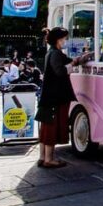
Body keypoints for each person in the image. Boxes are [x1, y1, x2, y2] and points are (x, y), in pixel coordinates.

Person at [36, 27, 92, 168]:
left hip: (48, 97)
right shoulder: (55, 54)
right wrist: (73, 64)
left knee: (46, 128)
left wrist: (80, 59)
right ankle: (49, 159)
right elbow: (60, 71)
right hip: (54, 97)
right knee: (51, 129)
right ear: (58, 39)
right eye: (64, 38)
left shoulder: (52, 53)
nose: (66, 41)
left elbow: (70, 61)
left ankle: (43, 157)